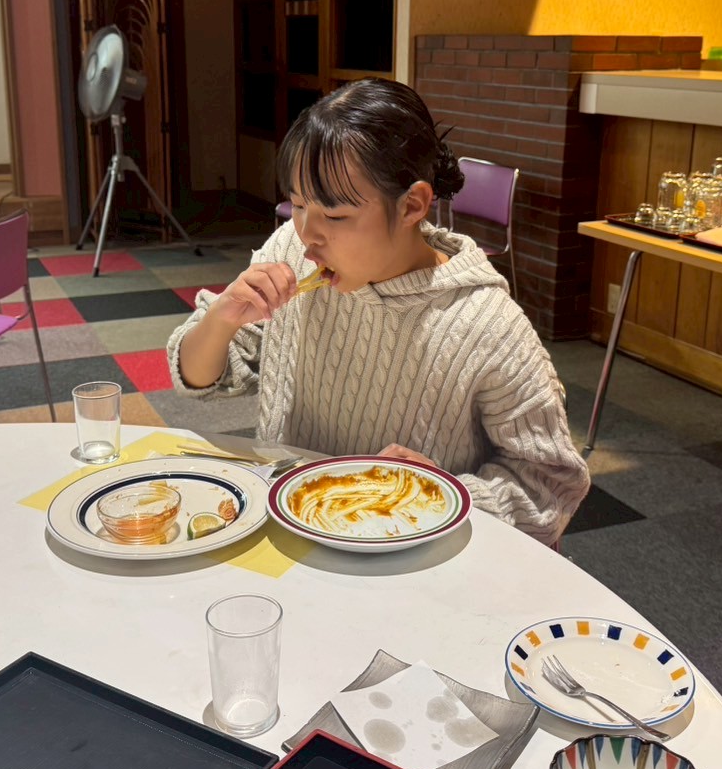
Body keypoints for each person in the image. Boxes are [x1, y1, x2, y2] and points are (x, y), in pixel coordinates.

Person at [168, 78, 589, 546]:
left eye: (335, 215)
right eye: (299, 204)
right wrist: (221, 319)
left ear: (413, 205)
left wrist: (443, 492)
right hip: (292, 527)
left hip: (408, 551)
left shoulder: (485, 323)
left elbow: (549, 482)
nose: (308, 233)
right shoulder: (290, 251)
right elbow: (199, 377)